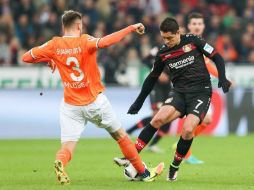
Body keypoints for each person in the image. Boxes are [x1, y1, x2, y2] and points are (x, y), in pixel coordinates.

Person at [21, 10, 164, 185]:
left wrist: (47, 59)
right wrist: (130, 28)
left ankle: (61, 162)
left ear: (62, 26)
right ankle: (143, 173)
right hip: (94, 102)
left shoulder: (54, 44)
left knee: (67, 145)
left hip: (70, 106)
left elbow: (26, 57)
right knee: (120, 135)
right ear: (79, 25)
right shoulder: (85, 41)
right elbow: (105, 42)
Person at [120, 17, 231, 181]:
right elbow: (151, 78)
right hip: (179, 92)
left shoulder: (194, 41)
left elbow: (217, 57)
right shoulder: (163, 53)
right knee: (158, 119)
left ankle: (174, 167)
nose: (167, 41)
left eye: (170, 38)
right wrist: (139, 101)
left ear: (179, 32)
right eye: (164, 38)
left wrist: (222, 77)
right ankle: (132, 159)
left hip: (201, 92)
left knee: (187, 130)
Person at [125, 46, 172, 154]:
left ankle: (153, 144)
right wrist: (157, 71)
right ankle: (129, 131)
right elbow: (144, 60)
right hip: (156, 87)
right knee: (156, 115)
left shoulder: (181, 47)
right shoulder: (158, 49)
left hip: (168, 88)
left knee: (169, 117)